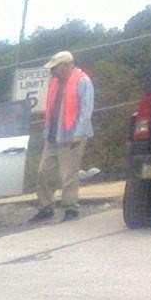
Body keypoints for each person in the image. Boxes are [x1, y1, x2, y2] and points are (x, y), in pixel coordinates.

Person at [32, 51, 95, 222]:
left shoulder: (82, 81)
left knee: (69, 174)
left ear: (66, 65)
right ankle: (46, 207)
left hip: (72, 136)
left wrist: (79, 134)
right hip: (53, 135)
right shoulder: (55, 82)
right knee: (43, 172)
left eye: (55, 67)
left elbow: (86, 111)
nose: (52, 71)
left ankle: (71, 209)